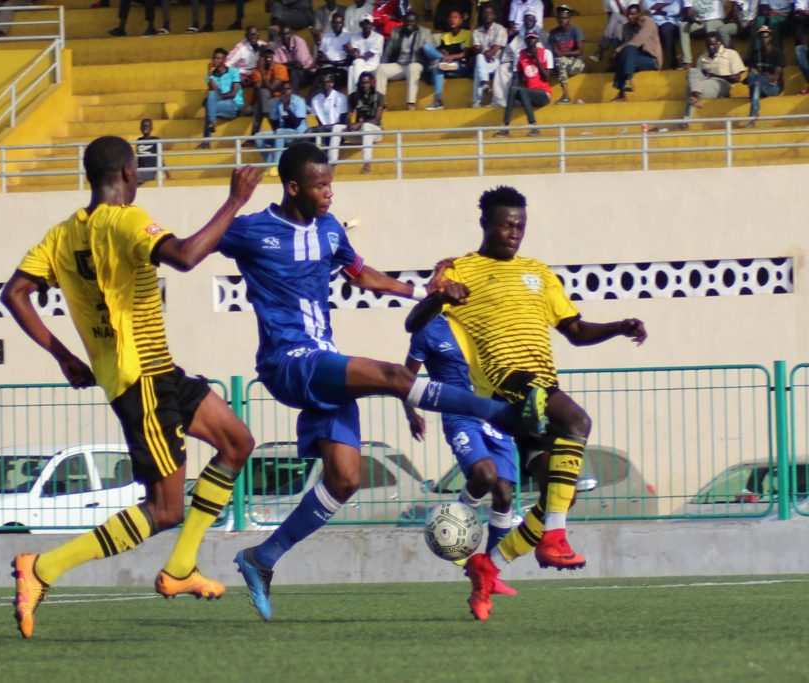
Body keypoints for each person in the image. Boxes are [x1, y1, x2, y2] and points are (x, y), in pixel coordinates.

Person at [221, 144, 547, 622]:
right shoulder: (255, 231)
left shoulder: (330, 230)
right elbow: (193, 249)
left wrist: (425, 290)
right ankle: (506, 415)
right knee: (396, 376)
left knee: (345, 479)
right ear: (293, 188)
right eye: (320, 185)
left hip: (323, 360)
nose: (329, 193)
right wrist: (233, 202)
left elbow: (364, 276)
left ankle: (261, 558)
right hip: (287, 360)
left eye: (331, 183)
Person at [3, 136, 262, 639]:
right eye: (138, 170)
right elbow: (185, 256)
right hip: (139, 381)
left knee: (237, 443)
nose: (139, 178)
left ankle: (181, 567)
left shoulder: (59, 236)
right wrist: (234, 201)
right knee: (164, 509)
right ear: (125, 171)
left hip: (159, 372)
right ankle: (44, 569)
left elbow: (14, 293)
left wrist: (63, 356)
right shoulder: (125, 221)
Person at [409, 185, 646, 622]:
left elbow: (574, 330)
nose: (514, 232)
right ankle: (553, 539)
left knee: (563, 494)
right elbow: (414, 321)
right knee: (577, 419)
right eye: (505, 224)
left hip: (539, 387)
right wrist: (441, 295)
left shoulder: (539, 273)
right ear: (485, 224)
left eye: (520, 225)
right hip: (506, 386)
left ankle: (488, 567)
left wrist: (618, 325)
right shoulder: (459, 270)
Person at [403, 315, 521, 597]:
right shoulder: (428, 328)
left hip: (495, 413)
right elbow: (405, 378)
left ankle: (489, 574)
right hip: (459, 416)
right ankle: (454, 521)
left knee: (504, 494)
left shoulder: (486, 317)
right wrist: (411, 413)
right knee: (485, 474)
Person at [494, 31, 553, 137]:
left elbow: (546, 77)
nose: (531, 41)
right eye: (529, 39)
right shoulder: (520, 54)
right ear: (525, 41)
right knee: (513, 89)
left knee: (522, 91)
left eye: (533, 39)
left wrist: (537, 60)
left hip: (543, 93)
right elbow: (517, 77)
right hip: (527, 92)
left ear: (537, 40)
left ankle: (534, 127)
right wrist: (513, 96)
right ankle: (505, 127)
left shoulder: (546, 53)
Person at [680, 31, 745, 127]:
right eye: (708, 45)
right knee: (692, 71)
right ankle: (695, 97)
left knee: (691, 89)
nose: (711, 47)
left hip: (722, 84)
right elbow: (695, 78)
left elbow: (737, 78)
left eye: (713, 44)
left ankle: (686, 119)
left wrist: (713, 75)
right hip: (704, 84)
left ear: (719, 43)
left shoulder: (731, 54)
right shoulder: (703, 57)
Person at [375, 11, 434, 110]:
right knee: (381, 68)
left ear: (417, 22)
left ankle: (410, 103)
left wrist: (431, 69)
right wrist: (384, 63)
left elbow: (431, 51)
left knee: (412, 67)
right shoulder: (396, 31)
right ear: (403, 22)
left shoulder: (425, 32)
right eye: (407, 21)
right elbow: (388, 52)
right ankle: (380, 104)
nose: (409, 24)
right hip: (400, 64)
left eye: (412, 22)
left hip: (416, 63)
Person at [492, 13, 548, 108]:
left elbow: (543, 54)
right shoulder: (519, 37)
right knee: (501, 69)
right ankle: (500, 102)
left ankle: (519, 100)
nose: (529, 22)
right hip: (517, 63)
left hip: (532, 64)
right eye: (527, 19)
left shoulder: (540, 35)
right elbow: (508, 53)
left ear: (535, 21)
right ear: (523, 21)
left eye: (531, 19)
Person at [424, 7, 473, 111]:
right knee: (427, 48)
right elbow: (442, 48)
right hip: (447, 65)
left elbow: (464, 54)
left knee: (438, 66)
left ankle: (445, 63)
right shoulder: (445, 35)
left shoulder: (467, 33)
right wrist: (442, 52)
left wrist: (451, 57)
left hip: (461, 66)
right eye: (450, 17)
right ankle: (438, 100)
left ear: (461, 20)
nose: (452, 19)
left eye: (455, 17)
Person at [611, 4, 663, 101]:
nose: (631, 17)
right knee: (625, 54)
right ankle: (627, 83)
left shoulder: (648, 22)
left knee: (628, 50)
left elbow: (639, 40)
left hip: (651, 58)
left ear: (639, 14)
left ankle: (622, 91)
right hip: (635, 58)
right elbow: (627, 44)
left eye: (634, 14)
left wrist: (618, 49)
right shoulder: (627, 27)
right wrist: (619, 51)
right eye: (629, 15)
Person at [255, 81, 309, 169]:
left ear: (291, 90)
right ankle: (270, 164)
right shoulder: (277, 102)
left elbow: (297, 123)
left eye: (288, 89)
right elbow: (273, 123)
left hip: (298, 133)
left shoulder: (299, 101)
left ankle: (276, 165)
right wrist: (274, 113)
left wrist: (287, 109)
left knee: (280, 132)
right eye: (283, 89)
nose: (285, 91)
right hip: (283, 133)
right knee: (258, 136)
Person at [199, 48, 245, 149]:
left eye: (219, 58)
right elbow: (215, 92)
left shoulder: (234, 72)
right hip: (220, 106)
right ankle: (212, 122)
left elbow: (233, 93)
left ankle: (206, 142)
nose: (216, 60)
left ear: (224, 60)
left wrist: (213, 102)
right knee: (211, 94)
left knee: (209, 105)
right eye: (214, 58)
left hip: (234, 106)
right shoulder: (210, 76)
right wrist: (210, 74)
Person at [745, 24, 785, 124]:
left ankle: (753, 115)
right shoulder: (755, 54)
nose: (764, 39)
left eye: (766, 37)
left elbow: (775, 78)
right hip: (758, 86)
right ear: (759, 38)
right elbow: (750, 73)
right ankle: (754, 114)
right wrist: (762, 75)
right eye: (762, 37)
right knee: (754, 80)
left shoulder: (778, 53)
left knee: (756, 80)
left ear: (771, 37)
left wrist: (761, 75)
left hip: (773, 87)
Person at [347, 71, 386, 173]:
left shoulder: (379, 96)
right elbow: (349, 115)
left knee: (366, 127)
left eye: (367, 83)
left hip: (376, 131)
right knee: (336, 129)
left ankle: (367, 164)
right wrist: (349, 125)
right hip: (359, 133)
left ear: (372, 83)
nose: (364, 85)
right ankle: (331, 164)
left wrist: (359, 124)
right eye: (362, 83)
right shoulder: (354, 96)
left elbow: (377, 119)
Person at [680, 0, 738, 68]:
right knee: (683, 26)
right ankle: (687, 62)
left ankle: (714, 59)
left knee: (709, 25)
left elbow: (733, 4)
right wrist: (693, 18)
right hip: (700, 23)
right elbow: (689, 12)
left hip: (716, 21)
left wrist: (727, 19)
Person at [471, 4, 509, 107]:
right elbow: (476, 49)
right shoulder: (476, 32)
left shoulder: (500, 29)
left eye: (490, 13)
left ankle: (477, 100)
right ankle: (484, 84)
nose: (487, 15)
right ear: (482, 16)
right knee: (479, 60)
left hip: (496, 63)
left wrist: (483, 51)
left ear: (494, 16)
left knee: (479, 63)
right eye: (485, 13)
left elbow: (493, 51)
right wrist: (484, 52)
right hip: (483, 63)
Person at [250, 49, 291, 137]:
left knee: (259, 104)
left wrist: (263, 74)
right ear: (261, 58)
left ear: (273, 56)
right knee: (262, 93)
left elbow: (273, 88)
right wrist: (261, 70)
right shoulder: (256, 71)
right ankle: (271, 122)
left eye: (270, 56)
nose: (268, 58)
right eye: (265, 56)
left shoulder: (280, 68)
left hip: (280, 98)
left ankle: (254, 135)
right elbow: (258, 87)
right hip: (266, 100)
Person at [548, 5, 585, 103]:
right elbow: (553, 52)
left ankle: (566, 95)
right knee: (558, 61)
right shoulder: (553, 33)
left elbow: (580, 51)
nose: (562, 20)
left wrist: (563, 53)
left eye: (564, 18)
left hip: (577, 63)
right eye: (560, 18)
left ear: (569, 18)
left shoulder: (575, 30)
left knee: (560, 60)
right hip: (561, 64)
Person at [310, 74, 349, 164]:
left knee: (324, 131)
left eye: (327, 82)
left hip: (338, 129)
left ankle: (326, 160)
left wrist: (324, 128)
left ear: (332, 83)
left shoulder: (340, 97)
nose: (324, 84)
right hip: (323, 130)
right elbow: (318, 119)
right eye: (322, 82)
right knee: (309, 133)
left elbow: (342, 120)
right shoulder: (315, 100)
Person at [345, 15, 385, 92]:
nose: (367, 26)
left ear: (372, 25)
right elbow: (354, 52)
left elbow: (369, 54)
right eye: (364, 24)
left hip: (372, 66)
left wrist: (355, 53)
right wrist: (351, 51)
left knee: (357, 62)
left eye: (369, 23)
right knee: (351, 68)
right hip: (359, 66)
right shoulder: (354, 37)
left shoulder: (379, 37)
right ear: (360, 25)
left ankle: (359, 88)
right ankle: (353, 95)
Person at [315, 12, 354, 89]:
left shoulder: (349, 36)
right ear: (332, 23)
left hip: (341, 69)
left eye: (339, 22)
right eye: (335, 22)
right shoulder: (326, 35)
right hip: (326, 68)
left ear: (343, 23)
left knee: (331, 81)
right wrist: (320, 57)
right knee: (317, 81)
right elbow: (320, 55)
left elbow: (349, 59)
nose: (337, 25)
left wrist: (329, 61)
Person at [641, 0, 682, 68]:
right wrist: (667, 6)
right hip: (656, 22)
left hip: (672, 22)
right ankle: (649, 64)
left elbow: (676, 9)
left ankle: (673, 64)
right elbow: (647, 5)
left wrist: (658, 7)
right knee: (645, 29)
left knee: (666, 30)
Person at [274, 24, 317, 88]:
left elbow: (299, 65)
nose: (284, 36)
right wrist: (291, 64)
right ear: (280, 35)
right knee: (280, 74)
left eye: (287, 34)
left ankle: (293, 96)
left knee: (294, 72)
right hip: (290, 72)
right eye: (282, 34)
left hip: (307, 72)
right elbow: (277, 65)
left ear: (291, 34)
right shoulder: (278, 45)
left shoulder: (299, 42)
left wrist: (286, 65)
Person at [135, 118, 169, 184]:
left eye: (147, 126)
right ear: (140, 128)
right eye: (143, 126)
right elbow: (139, 158)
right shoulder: (139, 140)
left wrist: (167, 173)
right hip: (140, 170)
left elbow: (160, 158)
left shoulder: (156, 139)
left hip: (150, 171)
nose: (145, 128)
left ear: (151, 128)